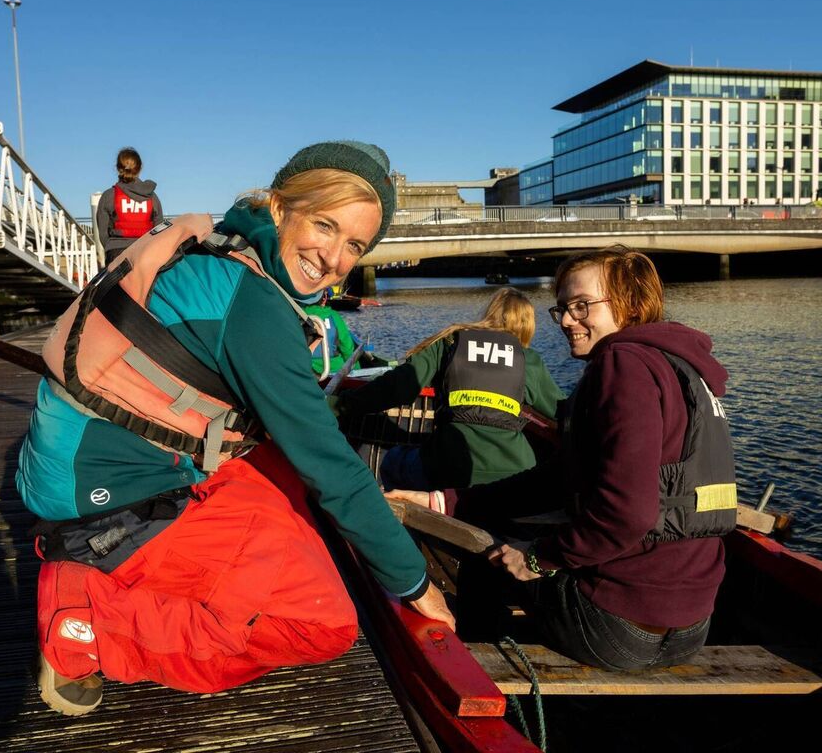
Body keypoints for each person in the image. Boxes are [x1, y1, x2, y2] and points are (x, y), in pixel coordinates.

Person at [17, 141, 453, 715]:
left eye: (355, 246)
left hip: (87, 463)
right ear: (279, 207)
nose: (334, 259)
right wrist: (416, 583)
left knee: (289, 482)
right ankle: (86, 619)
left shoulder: (229, 247)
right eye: (325, 225)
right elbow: (331, 467)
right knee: (322, 622)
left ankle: (162, 571)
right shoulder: (254, 305)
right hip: (105, 500)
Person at [465, 246, 736, 671]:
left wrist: (535, 559)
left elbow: (627, 515)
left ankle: (471, 677)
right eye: (562, 310)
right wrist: (454, 500)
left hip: (616, 629)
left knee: (487, 558)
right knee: (509, 527)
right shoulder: (684, 367)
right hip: (692, 628)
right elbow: (562, 478)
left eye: (581, 306)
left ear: (631, 303)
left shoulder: (621, 363)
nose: (568, 321)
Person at [336, 288, 564, 505]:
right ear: (528, 326)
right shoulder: (528, 359)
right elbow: (562, 411)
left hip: (449, 465)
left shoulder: (451, 342)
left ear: (490, 313)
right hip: (515, 469)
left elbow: (398, 387)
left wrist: (342, 405)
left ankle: (413, 528)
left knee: (393, 461)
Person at [94, 147, 164, 260]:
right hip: (147, 252)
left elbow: (103, 233)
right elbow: (159, 229)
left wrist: (112, 247)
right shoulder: (152, 197)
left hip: (117, 253)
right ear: (140, 168)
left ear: (117, 168)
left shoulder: (109, 196)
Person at [304, 288, 361, 377]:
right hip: (335, 370)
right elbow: (347, 348)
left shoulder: (296, 315)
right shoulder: (334, 316)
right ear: (325, 299)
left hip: (307, 371)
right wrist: (357, 370)